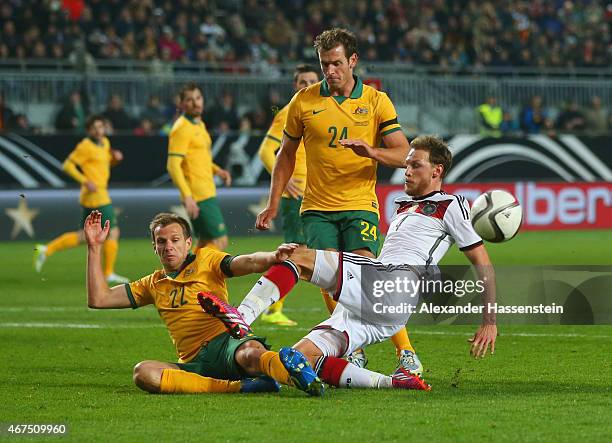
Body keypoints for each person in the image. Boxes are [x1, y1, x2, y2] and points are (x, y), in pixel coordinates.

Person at [200, 135, 497, 395]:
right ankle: (394, 382)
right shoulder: (407, 207)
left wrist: (490, 321)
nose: (406, 171)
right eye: (405, 164)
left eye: (415, 165)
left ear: (437, 170)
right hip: (385, 309)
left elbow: (482, 262)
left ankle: (242, 316)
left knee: (297, 256)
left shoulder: (451, 204)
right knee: (299, 359)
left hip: (392, 286)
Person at [255, 28, 420, 374]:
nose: (330, 71)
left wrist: (372, 151)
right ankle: (352, 346)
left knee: (368, 279)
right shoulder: (303, 102)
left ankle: (405, 352)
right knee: (332, 280)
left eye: (336, 64)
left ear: (353, 61)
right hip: (316, 208)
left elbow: (404, 152)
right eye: (324, 64)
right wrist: (272, 203)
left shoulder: (376, 101)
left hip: (360, 203)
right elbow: (284, 155)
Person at [257, 64, 319, 327]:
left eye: (312, 81)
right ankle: (270, 308)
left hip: (316, 193)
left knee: (309, 252)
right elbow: (265, 151)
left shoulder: (318, 111)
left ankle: (271, 305)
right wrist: (285, 180)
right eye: (302, 81)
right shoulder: (288, 112)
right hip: (297, 195)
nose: (307, 85)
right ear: (295, 86)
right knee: (295, 252)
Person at [34, 115, 128, 284]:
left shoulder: (105, 142)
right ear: (89, 130)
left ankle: (46, 250)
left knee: (83, 236)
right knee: (113, 232)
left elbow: (103, 165)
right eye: (96, 127)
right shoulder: (85, 146)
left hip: (96, 195)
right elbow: (67, 165)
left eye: (101, 127)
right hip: (96, 196)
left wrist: (115, 159)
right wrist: (85, 181)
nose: (99, 130)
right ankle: (108, 273)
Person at [167, 82, 232, 251]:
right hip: (198, 195)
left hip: (206, 190)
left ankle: (186, 277)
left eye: (198, 97)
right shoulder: (181, 128)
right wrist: (187, 197)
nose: (196, 103)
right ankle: (198, 277)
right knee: (219, 241)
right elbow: (173, 166)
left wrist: (218, 170)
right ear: (181, 105)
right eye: (189, 100)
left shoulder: (199, 124)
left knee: (204, 243)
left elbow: (200, 158)